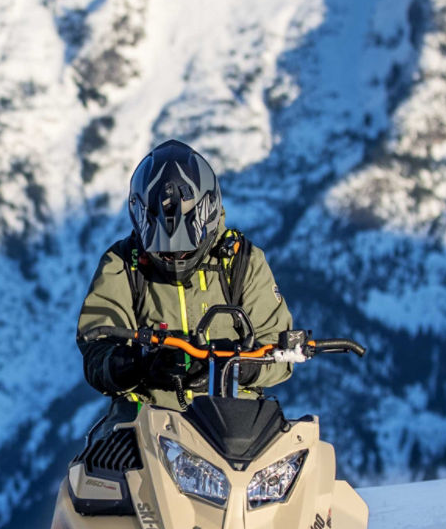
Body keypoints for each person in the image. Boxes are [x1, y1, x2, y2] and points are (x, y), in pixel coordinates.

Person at [77, 140, 293, 407]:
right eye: (164, 254)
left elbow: (280, 351)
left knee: (308, 444)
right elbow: (97, 352)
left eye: (187, 252)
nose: (176, 260)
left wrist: (237, 365)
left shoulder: (241, 261)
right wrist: (141, 364)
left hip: (235, 421)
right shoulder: (122, 263)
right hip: (145, 421)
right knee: (105, 448)